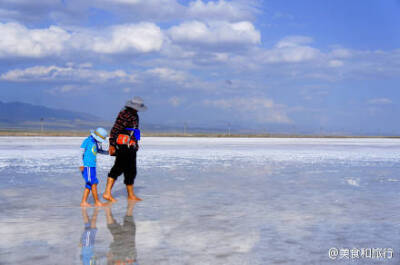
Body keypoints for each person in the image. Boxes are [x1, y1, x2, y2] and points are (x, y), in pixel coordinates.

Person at [103, 96, 147, 202]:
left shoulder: (135, 115)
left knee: (131, 170)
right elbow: (115, 130)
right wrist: (112, 145)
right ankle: (107, 193)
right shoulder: (124, 114)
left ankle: (130, 195)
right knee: (118, 168)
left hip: (131, 147)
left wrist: (135, 143)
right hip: (122, 146)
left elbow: (134, 130)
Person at [80, 127, 109, 207]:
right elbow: (80, 152)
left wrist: (107, 152)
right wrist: (81, 164)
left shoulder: (95, 142)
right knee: (94, 183)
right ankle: (97, 202)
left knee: (89, 184)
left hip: (92, 166)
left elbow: (98, 151)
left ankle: (83, 202)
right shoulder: (87, 141)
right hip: (87, 166)